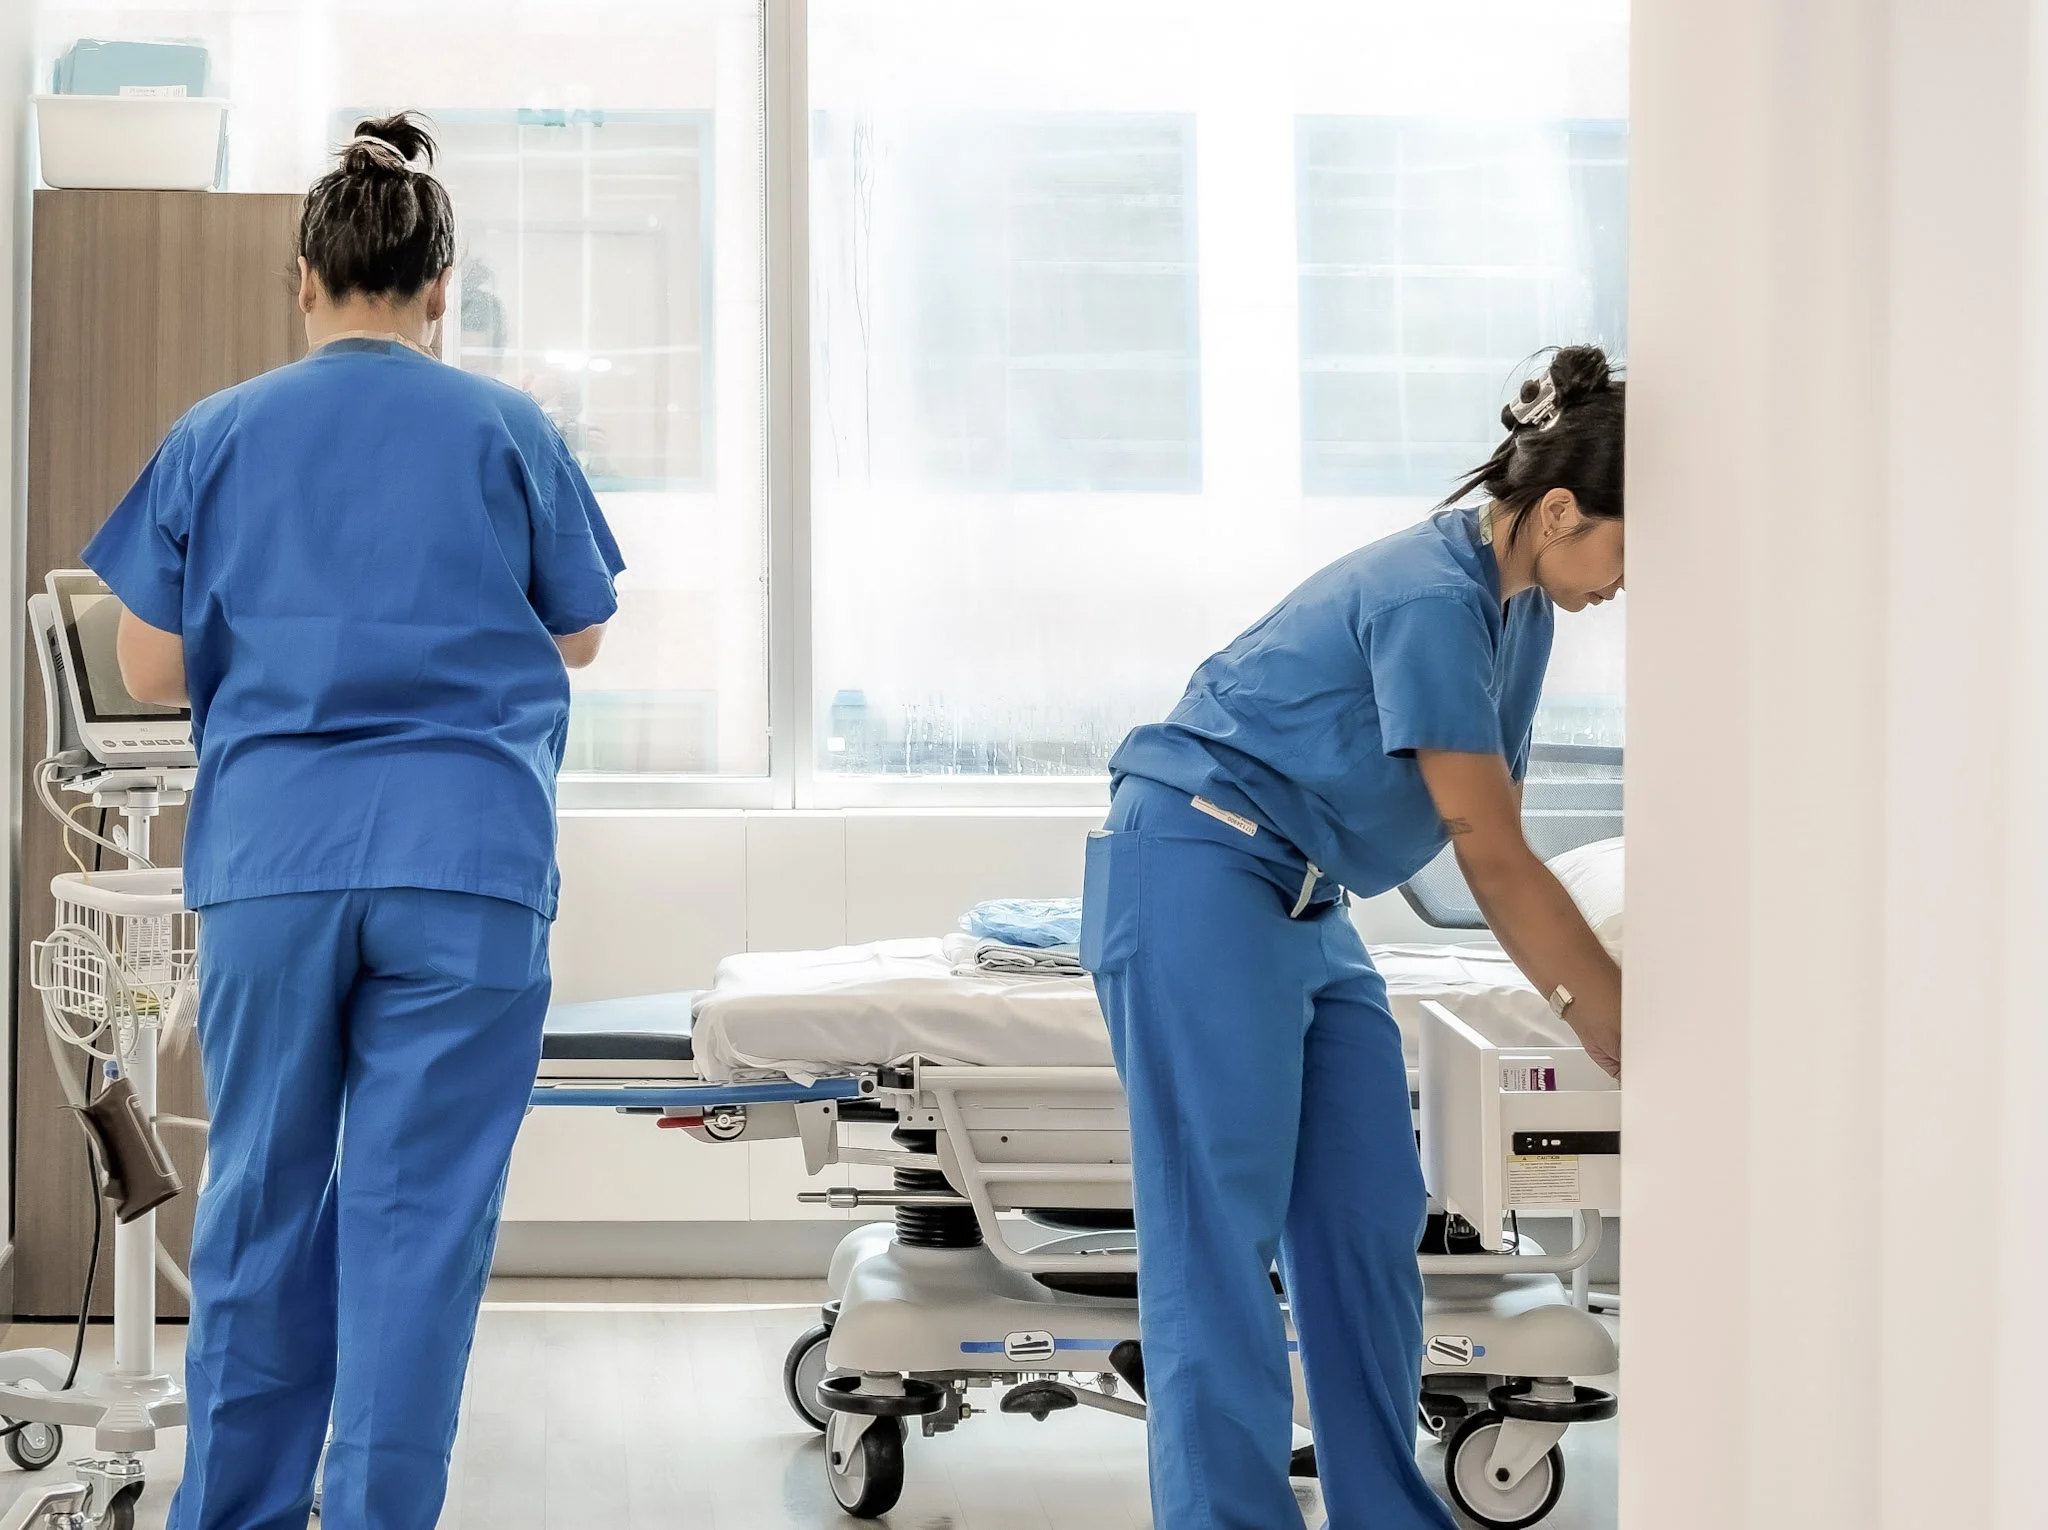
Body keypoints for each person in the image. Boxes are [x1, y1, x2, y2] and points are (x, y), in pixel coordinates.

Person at [86, 113, 624, 1530]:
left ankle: (238, 1514)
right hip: (467, 865)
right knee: (415, 1222)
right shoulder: (508, 427)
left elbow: (146, 669)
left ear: (300, 278)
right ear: (441, 286)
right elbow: (578, 637)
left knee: (262, 1197)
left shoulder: (220, 431)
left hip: (276, 864)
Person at [1080, 345, 1626, 1530]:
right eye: (1626, 550)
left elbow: (1484, 828)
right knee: (1214, 1237)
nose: (1628, 583)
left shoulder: (1516, 607)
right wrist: (1609, 1012)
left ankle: (1384, 1513)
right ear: (1560, 509)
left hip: (1305, 898)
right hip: (1197, 866)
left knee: (1365, 1214)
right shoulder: (1432, 596)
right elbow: (1486, 851)